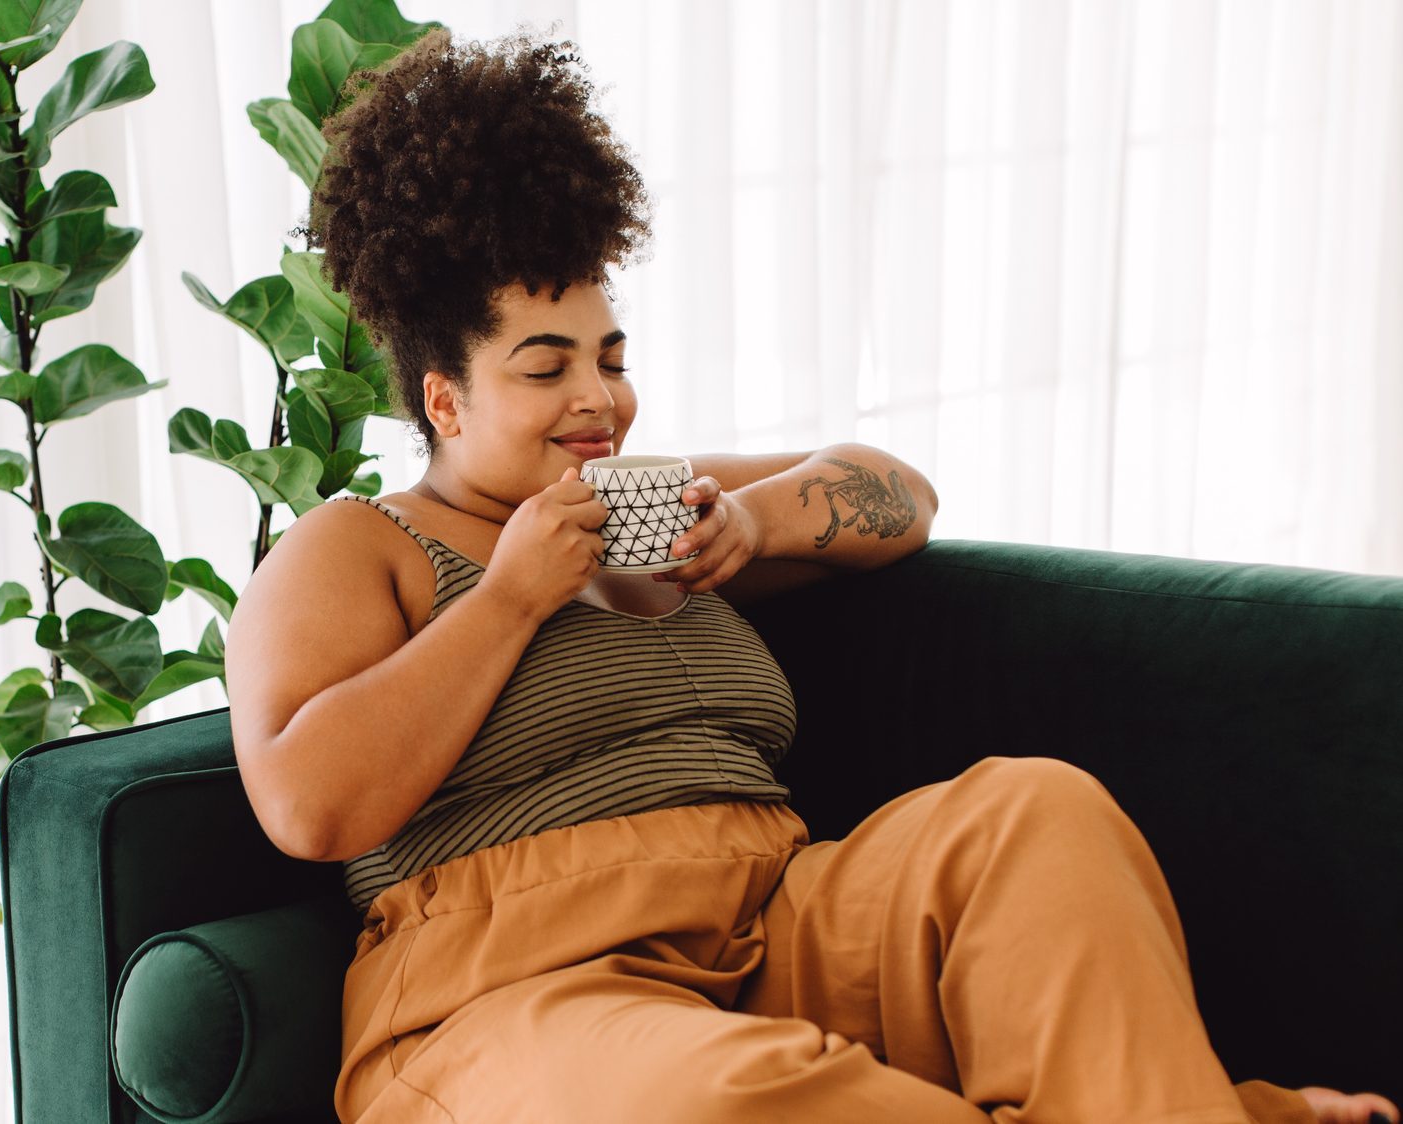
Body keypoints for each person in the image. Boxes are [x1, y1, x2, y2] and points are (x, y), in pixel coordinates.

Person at [223, 26, 1399, 1124]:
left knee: (1036, 817)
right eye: (547, 367)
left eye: (611, 356)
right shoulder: (355, 546)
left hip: (778, 922)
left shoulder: (656, 501)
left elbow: (900, 494)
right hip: (511, 997)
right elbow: (311, 803)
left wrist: (756, 518)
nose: (600, 399)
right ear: (444, 397)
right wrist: (514, 596)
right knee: (714, 1097)